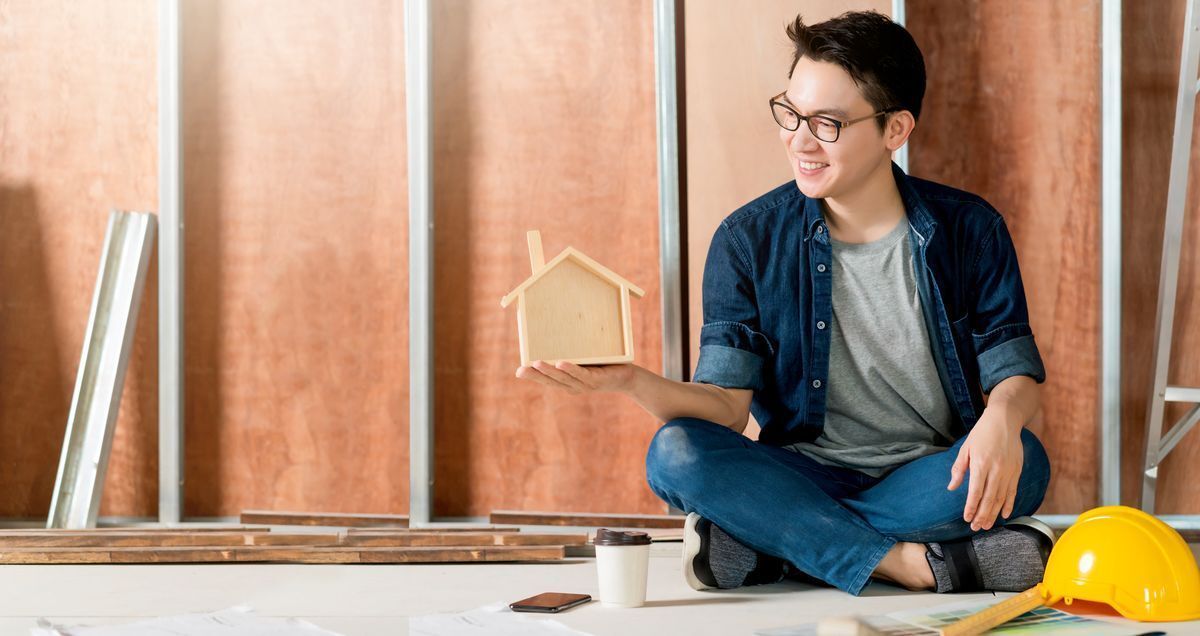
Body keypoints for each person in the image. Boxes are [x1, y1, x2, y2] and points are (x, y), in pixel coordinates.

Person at [515, 10, 1053, 597]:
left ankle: (774, 544)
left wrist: (1002, 418)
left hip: (928, 474)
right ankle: (902, 562)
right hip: (799, 471)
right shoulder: (747, 241)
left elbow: (1015, 374)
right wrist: (630, 381)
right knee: (676, 452)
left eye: (827, 123)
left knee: (1025, 458)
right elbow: (726, 408)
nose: (799, 140)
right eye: (791, 113)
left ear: (895, 129)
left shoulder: (970, 229)